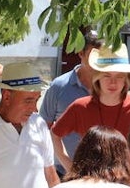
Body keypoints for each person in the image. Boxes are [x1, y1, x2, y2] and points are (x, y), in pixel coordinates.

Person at [51, 44, 130, 172]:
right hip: (91, 184)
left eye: (119, 76)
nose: (113, 82)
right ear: (97, 77)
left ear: (126, 80)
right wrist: (71, 168)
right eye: (107, 76)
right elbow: (55, 134)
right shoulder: (80, 107)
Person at [39, 30, 101, 169]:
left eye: (101, 56)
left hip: (101, 173)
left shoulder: (110, 88)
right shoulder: (59, 86)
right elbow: (44, 127)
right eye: (93, 54)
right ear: (81, 53)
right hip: (63, 171)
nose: (97, 60)